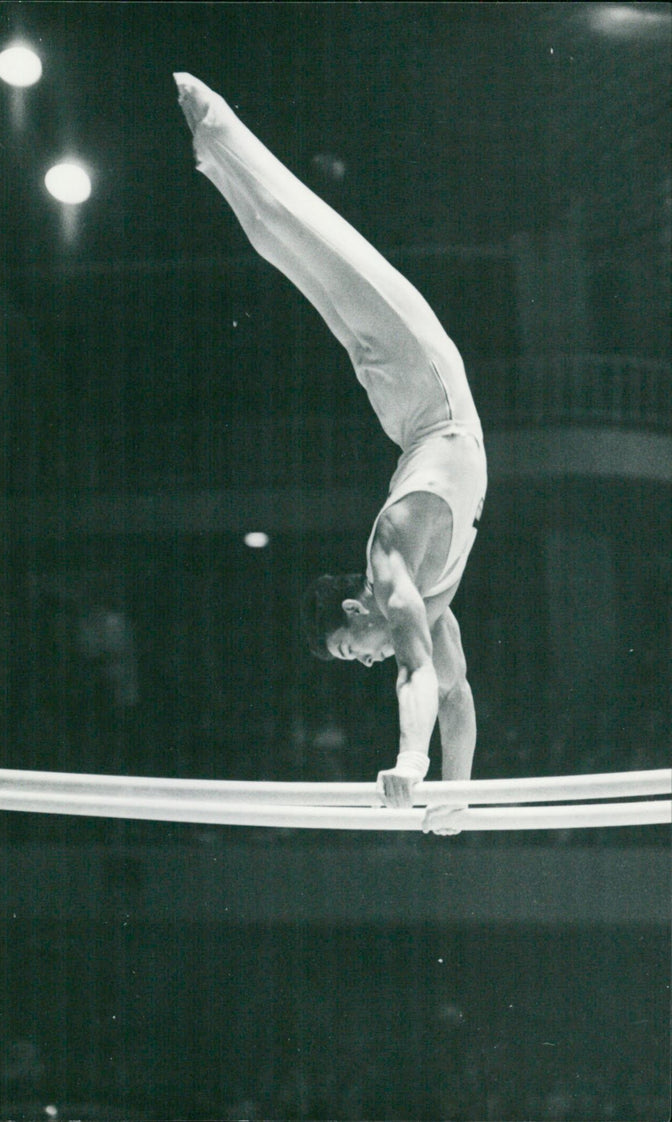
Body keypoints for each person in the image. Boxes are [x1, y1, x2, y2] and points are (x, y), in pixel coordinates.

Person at [175, 74, 487, 835]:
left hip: (416, 396)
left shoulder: (391, 563)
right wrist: (452, 793)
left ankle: (212, 124)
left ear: (360, 608)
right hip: (425, 392)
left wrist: (412, 767)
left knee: (298, 240)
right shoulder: (422, 604)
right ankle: (214, 144)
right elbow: (451, 693)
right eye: (358, 658)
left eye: (353, 650)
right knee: (295, 243)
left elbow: (414, 675)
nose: (367, 661)